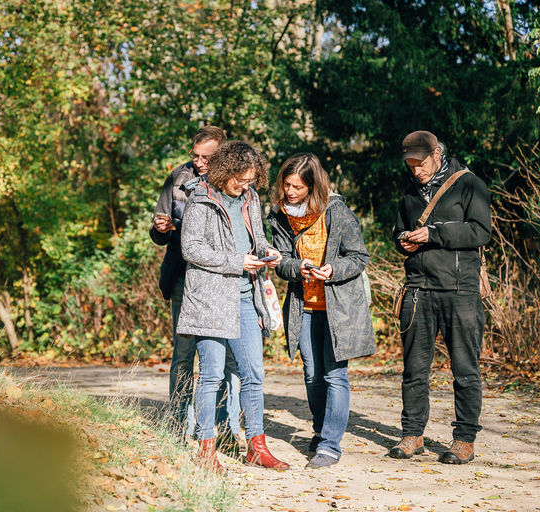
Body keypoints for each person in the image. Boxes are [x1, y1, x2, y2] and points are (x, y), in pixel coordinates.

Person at [177, 140, 288, 473]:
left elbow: (256, 239)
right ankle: (205, 450)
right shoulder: (200, 199)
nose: (245, 185)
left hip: (245, 297)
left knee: (254, 374)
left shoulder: (250, 198)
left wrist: (268, 252)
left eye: (251, 179)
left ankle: (257, 447)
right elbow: (190, 249)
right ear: (224, 170)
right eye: (240, 179)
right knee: (211, 377)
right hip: (210, 300)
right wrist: (236, 261)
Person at [267, 153, 375, 469]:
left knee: (334, 374)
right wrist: (296, 267)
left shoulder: (338, 213)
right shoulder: (281, 215)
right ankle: (319, 431)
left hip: (338, 309)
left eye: (297, 187)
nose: (290, 192)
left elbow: (358, 257)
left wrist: (332, 269)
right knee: (312, 374)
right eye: (286, 185)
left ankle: (330, 446)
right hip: (304, 307)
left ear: (313, 186)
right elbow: (281, 261)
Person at [390, 131, 491, 464]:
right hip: (418, 289)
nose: (415, 170)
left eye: (420, 163)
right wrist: (402, 239)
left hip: (459, 290)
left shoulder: (469, 183)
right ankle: (412, 435)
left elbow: (480, 231)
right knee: (414, 370)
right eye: (410, 164)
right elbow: (399, 229)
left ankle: (464, 440)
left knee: (464, 369)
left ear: (437, 154)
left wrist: (435, 233)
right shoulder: (409, 191)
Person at [149, 126, 244, 453]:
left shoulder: (235, 182)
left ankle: (225, 430)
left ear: (222, 154)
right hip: (183, 277)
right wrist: (160, 229)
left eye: (207, 156)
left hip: (223, 279)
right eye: (196, 155)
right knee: (184, 353)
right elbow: (159, 226)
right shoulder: (177, 179)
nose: (199, 162)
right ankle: (176, 426)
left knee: (226, 357)